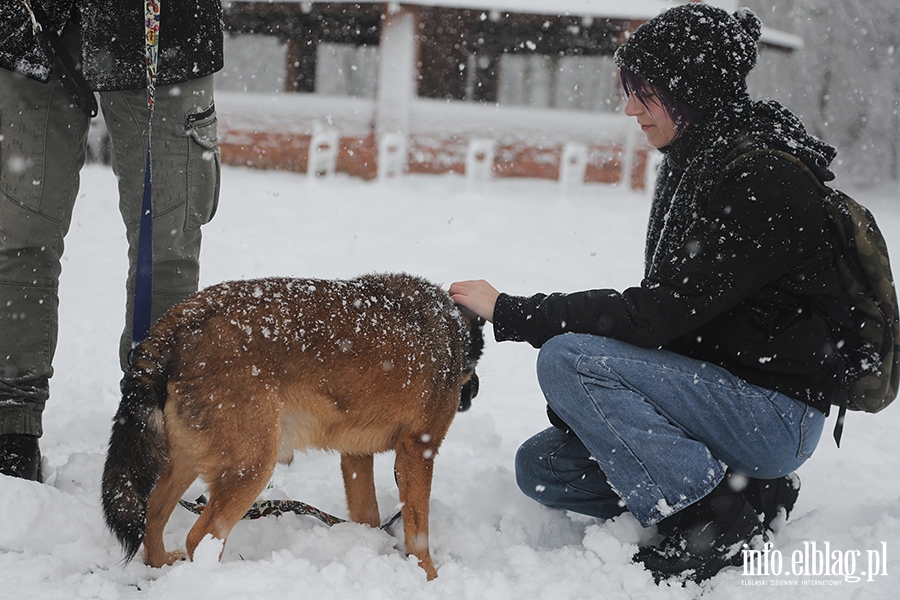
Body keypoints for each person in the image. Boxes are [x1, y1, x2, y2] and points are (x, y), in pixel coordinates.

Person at [450, 3, 853, 583]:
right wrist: (595, 405)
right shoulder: (698, 163)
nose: (630, 107)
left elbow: (657, 315)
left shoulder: (762, 179)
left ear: (691, 92)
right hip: (721, 390)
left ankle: (717, 520)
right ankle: (751, 494)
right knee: (543, 469)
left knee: (568, 359)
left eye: (645, 92)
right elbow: (670, 312)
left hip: (773, 412)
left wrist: (515, 312)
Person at [0, 0, 223, 481]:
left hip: (166, 26)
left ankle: (155, 421)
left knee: (166, 244)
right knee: (19, 235)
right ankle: (10, 425)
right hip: (32, 22)